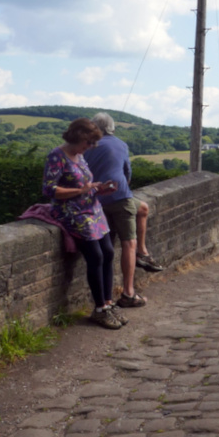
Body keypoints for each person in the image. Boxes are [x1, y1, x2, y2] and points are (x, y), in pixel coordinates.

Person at [42, 118, 125, 330]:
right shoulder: (57, 156)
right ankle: (99, 309)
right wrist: (81, 191)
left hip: (92, 208)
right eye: (88, 143)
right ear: (78, 137)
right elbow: (49, 189)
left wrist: (99, 189)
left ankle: (108, 303)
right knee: (95, 256)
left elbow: (86, 184)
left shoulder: (79, 155)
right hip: (72, 212)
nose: (90, 147)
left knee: (108, 252)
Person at [84, 112, 163, 310]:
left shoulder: (86, 146)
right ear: (112, 127)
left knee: (142, 209)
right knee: (128, 243)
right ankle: (128, 293)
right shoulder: (120, 145)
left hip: (94, 201)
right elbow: (127, 175)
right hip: (119, 198)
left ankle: (141, 255)